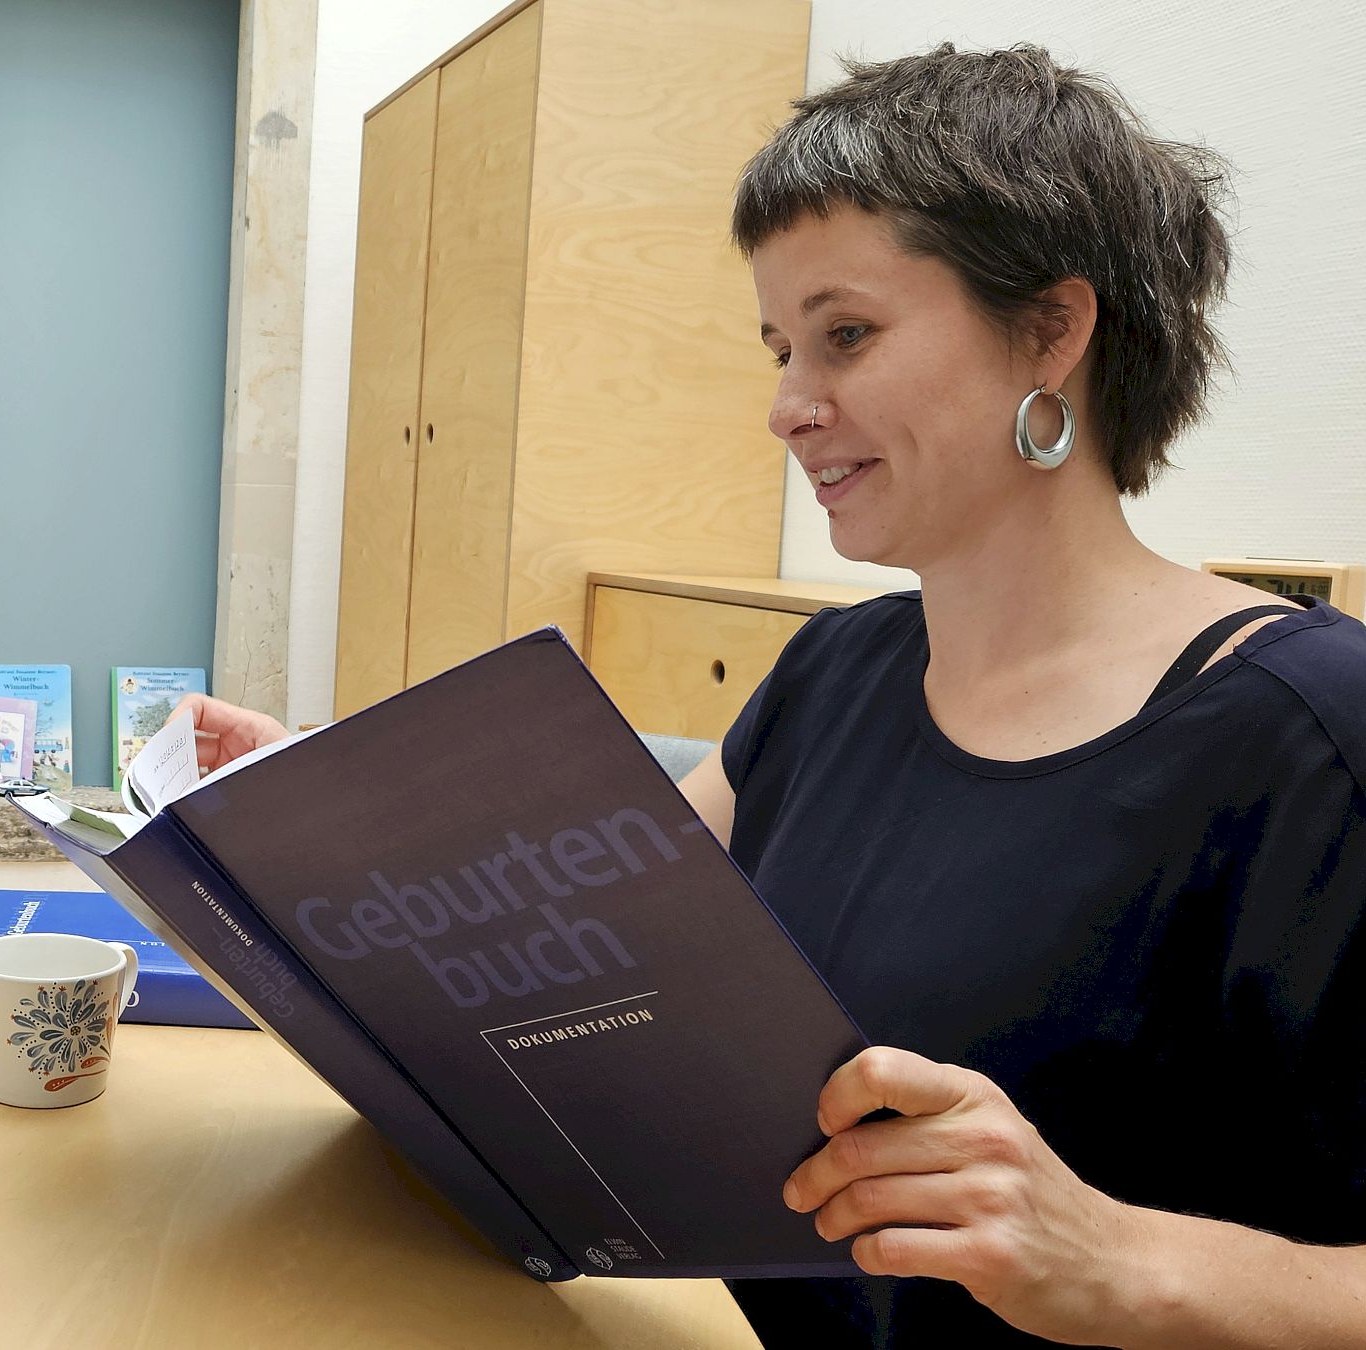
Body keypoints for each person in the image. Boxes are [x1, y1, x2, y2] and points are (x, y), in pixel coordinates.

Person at [182, 45, 1366, 1349]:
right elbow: (580, 908)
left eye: (845, 335)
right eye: (780, 347)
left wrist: (1120, 1256)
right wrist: (313, 836)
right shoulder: (839, 670)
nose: (790, 408)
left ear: (1055, 328)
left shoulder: (1307, 733)